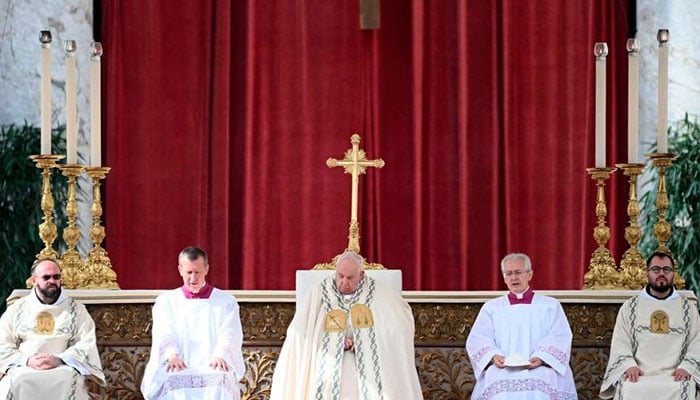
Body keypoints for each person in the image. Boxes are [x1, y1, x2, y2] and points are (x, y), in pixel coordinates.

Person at [270, 250, 423, 399]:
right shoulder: (320, 293)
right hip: (327, 357)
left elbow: (399, 327)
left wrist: (368, 340)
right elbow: (300, 332)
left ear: (361, 275)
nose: (344, 282)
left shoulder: (380, 293)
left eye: (350, 278)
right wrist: (330, 340)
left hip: (368, 356)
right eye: (340, 276)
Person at [466, 253, 577, 400]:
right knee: (494, 378)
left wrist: (542, 358)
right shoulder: (492, 307)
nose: (513, 278)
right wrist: (493, 356)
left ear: (529, 274)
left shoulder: (550, 305)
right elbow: (478, 338)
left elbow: (559, 336)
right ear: (504, 277)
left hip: (540, 367)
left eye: (518, 272)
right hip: (503, 368)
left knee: (544, 380)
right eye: (508, 273)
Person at [140, 246, 245, 400]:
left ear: (207, 269)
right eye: (189, 272)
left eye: (197, 272)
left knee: (220, 380)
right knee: (172, 380)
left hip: (213, 362)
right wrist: (172, 355)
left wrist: (221, 355)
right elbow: (163, 331)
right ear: (180, 269)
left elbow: (229, 332)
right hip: (178, 361)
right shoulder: (166, 301)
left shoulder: (225, 301)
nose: (193, 278)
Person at [600, 251, 700, 399]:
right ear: (647, 273)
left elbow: (696, 342)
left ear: (674, 274)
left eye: (666, 269)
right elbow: (621, 342)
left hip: (675, 375)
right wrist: (628, 365)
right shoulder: (630, 307)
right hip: (639, 374)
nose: (661, 273)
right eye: (655, 269)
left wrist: (687, 367)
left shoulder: (688, 309)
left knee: (685, 387)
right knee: (628, 388)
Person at [0, 259, 105, 399]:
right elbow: (3, 343)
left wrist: (59, 359)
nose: (52, 281)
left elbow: (86, 343)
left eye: (56, 277)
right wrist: (27, 360)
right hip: (24, 366)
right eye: (46, 277)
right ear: (33, 280)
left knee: (69, 379)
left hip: (63, 366)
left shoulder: (77, 310)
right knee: (17, 379)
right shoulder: (17, 309)